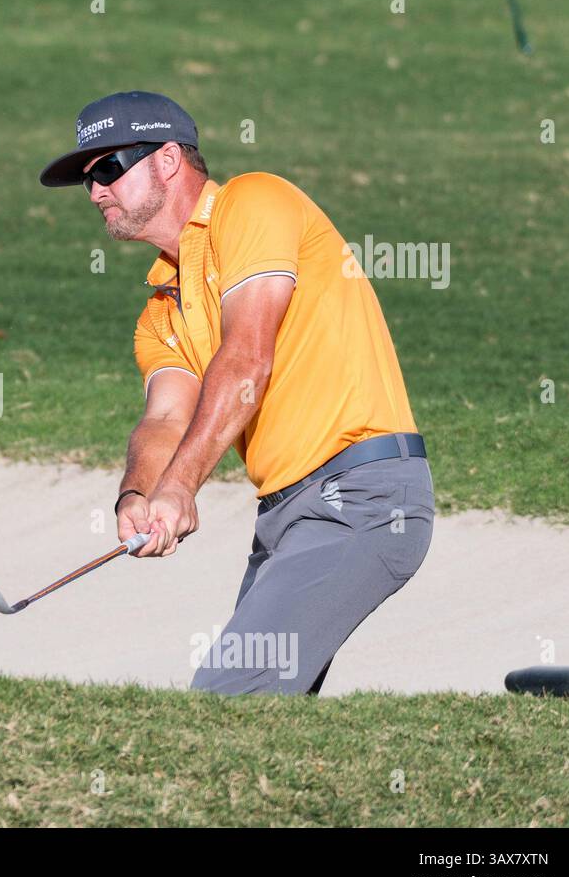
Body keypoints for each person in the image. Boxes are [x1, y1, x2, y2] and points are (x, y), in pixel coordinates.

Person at [39, 91, 435, 695]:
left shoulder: (252, 201)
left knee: (225, 703)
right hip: (285, 516)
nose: (95, 192)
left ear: (168, 159)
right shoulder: (161, 309)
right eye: (86, 180)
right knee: (263, 721)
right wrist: (140, 493)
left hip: (362, 498)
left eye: (108, 169)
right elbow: (165, 419)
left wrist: (180, 487)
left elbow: (248, 358)